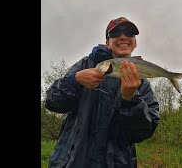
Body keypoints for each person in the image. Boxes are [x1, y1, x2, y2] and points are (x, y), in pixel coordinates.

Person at [45, 17, 160, 168]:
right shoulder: (85, 65)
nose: (123, 36)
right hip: (73, 162)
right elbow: (52, 101)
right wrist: (74, 81)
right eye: (116, 33)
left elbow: (143, 131)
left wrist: (130, 99)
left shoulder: (141, 83)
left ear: (135, 42)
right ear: (107, 42)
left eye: (129, 33)